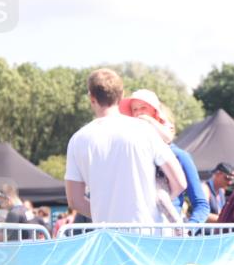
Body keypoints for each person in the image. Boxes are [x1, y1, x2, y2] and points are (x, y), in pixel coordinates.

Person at [65, 69, 186, 224]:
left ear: (92, 98)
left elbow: (75, 201)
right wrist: (153, 207)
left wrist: (104, 217)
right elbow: (180, 182)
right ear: (122, 96)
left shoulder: (77, 140)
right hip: (147, 234)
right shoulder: (145, 130)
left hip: (107, 236)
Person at [120, 90, 209, 224]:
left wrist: (188, 231)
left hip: (169, 231)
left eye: (144, 108)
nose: (139, 113)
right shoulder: (132, 153)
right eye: (135, 110)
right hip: (137, 229)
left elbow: (201, 205)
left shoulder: (180, 156)